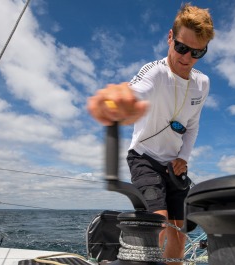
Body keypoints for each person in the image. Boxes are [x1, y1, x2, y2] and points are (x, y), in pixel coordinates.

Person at [87, 3, 214, 264]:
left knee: (178, 234)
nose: (187, 57)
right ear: (170, 38)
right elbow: (136, 90)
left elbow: (193, 126)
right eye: (181, 47)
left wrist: (184, 157)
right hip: (144, 157)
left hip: (175, 167)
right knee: (158, 221)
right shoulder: (155, 72)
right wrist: (119, 99)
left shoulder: (202, 84)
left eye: (197, 52)